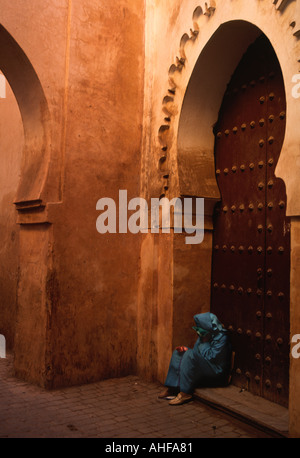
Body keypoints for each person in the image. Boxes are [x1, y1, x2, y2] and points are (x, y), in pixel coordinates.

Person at [158, 312, 232, 405]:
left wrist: (204, 342)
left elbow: (210, 357)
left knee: (189, 354)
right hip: (206, 367)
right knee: (179, 352)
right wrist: (185, 350)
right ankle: (173, 388)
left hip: (217, 373)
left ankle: (185, 393)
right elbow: (196, 352)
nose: (199, 332)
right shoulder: (204, 335)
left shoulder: (222, 338)